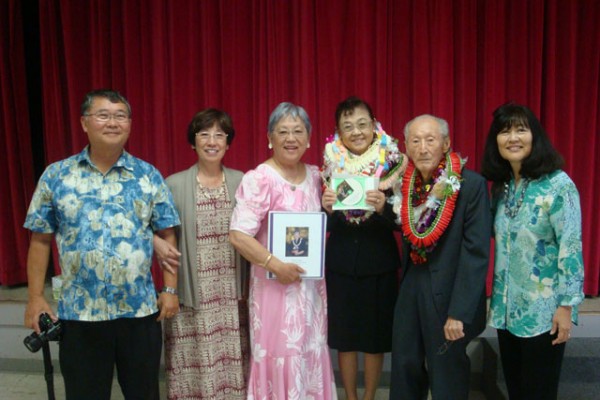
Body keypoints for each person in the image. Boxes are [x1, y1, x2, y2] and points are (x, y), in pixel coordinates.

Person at [23, 89, 180, 399]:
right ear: (84, 123)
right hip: (80, 314)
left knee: (144, 392)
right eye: (103, 115)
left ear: (130, 124)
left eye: (120, 116)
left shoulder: (147, 175)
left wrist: (171, 290)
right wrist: (35, 296)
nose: (112, 122)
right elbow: (40, 239)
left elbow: (166, 235)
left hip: (139, 312)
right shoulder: (57, 176)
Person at [229, 102, 337, 399]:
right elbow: (238, 235)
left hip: (311, 290)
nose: (291, 138)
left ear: (309, 138)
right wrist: (275, 264)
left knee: (310, 350)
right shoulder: (260, 178)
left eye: (298, 131)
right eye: (283, 132)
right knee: (279, 352)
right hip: (273, 289)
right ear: (270, 138)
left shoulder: (317, 177)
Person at [481, 103, 584, 400]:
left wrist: (567, 307)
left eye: (521, 130)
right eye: (505, 131)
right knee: (516, 389)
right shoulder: (501, 187)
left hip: (545, 312)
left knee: (538, 392)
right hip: (507, 311)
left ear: (534, 136)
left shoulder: (558, 185)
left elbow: (572, 247)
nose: (513, 138)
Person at [389, 114, 491, 399]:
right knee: (404, 363)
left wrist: (459, 312)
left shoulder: (470, 185)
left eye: (430, 140)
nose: (422, 148)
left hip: (451, 292)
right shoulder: (405, 185)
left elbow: (476, 253)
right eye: (415, 141)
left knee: (447, 370)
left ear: (445, 144)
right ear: (407, 147)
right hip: (412, 284)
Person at [154, 109, 249, 399]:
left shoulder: (242, 181)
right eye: (204, 134)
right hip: (191, 294)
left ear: (228, 143)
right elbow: (159, 234)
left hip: (232, 293)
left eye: (219, 135)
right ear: (193, 142)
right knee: (191, 370)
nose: (212, 141)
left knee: (232, 368)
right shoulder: (173, 184)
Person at [321, 96, 406, 400]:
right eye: (348, 126)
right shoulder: (332, 160)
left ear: (373, 124)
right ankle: (351, 397)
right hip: (341, 262)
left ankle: (369, 397)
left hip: (379, 262)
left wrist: (384, 208)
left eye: (361, 124)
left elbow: (405, 223)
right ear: (338, 132)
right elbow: (324, 225)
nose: (356, 132)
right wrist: (326, 210)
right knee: (345, 338)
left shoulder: (393, 161)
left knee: (373, 338)